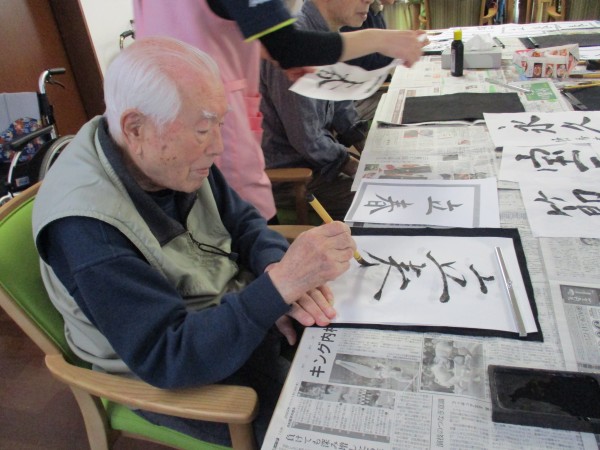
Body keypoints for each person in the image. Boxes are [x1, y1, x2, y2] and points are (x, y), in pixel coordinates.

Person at [32, 36, 356, 447]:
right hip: (182, 374)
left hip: (231, 318)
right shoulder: (87, 228)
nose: (217, 147)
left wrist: (275, 271)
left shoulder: (164, 157)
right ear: (135, 129)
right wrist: (276, 290)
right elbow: (169, 356)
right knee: (327, 430)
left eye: (219, 124)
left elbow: (244, 223)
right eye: (204, 129)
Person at [133, 0, 428, 223]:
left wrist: (264, 50)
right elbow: (287, 46)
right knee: (244, 234)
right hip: (211, 127)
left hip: (173, 122)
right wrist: (382, 39)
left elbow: (209, 31)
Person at [260, 0, 427, 220]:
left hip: (319, 165)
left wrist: (370, 151)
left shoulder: (326, 35)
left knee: (405, 180)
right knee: (401, 204)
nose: (369, 0)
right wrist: (353, 165)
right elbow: (307, 139)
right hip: (296, 178)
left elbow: (340, 104)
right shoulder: (298, 43)